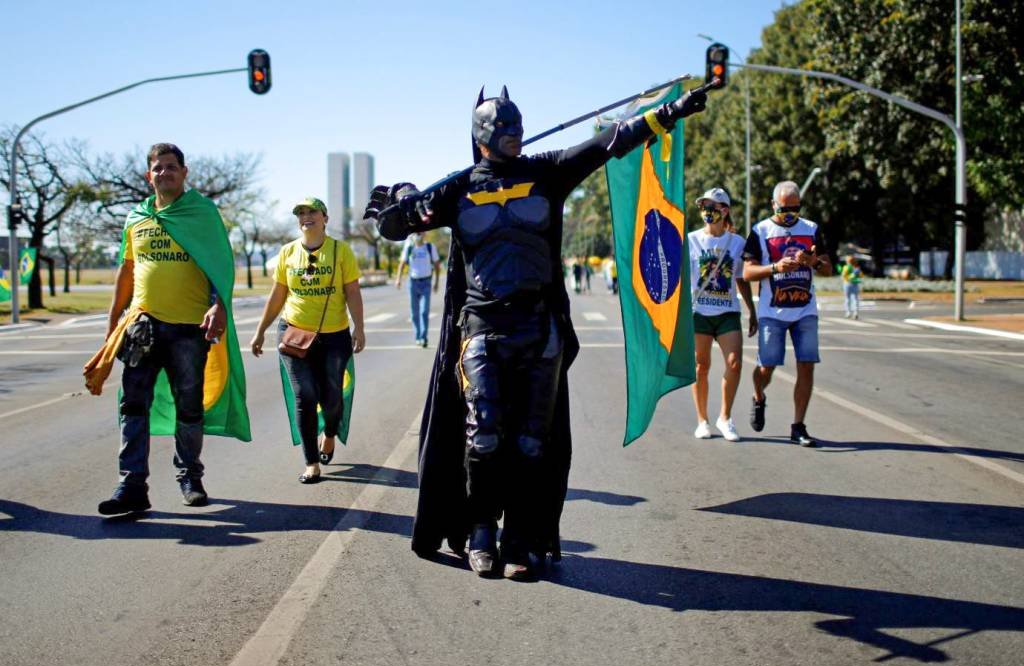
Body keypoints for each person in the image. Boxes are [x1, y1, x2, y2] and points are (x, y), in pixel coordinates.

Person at [364, 83, 708, 579]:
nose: (514, 135)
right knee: (482, 437)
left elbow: (609, 141)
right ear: (481, 135)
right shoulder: (457, 189)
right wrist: (402, 198)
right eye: (503, 129)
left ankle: (520, 540)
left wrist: (669, 112)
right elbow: (398, 226)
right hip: (482, 327)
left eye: (518, 127)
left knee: (531, 441)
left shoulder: (546, 171)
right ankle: (481, 531)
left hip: (538, 326)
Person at [91, 143, 250, 515]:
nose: (164, 173)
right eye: (158, 168)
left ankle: (190, 477)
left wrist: (219, 305)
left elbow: (220, 265)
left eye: (171, 167)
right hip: (142, 326)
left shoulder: (202, 213)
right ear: (149, 176)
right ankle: (131, 487)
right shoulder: (136, 217)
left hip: (188, 329)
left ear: (184, 172)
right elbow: (126, 270)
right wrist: (113, 321)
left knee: (189, 408)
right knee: (132, 406)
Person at [250, 197, 365, 483]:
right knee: (304, 395)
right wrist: (261, 329)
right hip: (294, 336)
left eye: (312, 211)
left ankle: (329, 432)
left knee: (332, 398)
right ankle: (311, 462)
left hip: (334, 336)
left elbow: (352, 292)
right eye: (300, 213)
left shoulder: (341, 251)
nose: (306, 217)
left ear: (324, 217)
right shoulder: (287, 252)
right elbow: (278, 295)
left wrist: (359, 328)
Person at [742, 180, 832, 447]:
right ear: (773, 205)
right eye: (785, 210)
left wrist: (813, 262)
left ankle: (798, 426)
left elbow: (828, 268)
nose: (790, 215)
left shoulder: (812, 229)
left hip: (805, 310)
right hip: (773, 311)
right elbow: (747, 272)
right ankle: (759, 396)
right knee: (766, 368)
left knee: (806, 364)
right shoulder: (760, 231)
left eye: (795, 209)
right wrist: (776, 267)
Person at [687, 188, 757, 442]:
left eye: (713, 206)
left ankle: (725, 417)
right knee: (700, 365)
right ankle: (702, 420)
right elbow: (682, 279)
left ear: (725, 210)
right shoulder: (691, 240)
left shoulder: (737, 243)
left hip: (728, 311)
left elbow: (741, 279)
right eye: (704, 206)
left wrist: (752, 311)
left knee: (734, 362)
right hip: (699, 312)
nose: (707, 211)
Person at [396, 232, 441, 347]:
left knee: (424, 311)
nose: (418, 235)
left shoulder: (430, 247)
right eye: (416, 233)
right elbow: (402, 263)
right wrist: (398, 279)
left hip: (426, 282)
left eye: (420, 233)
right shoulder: (409, 247)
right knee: (414, 313)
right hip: (413, 283)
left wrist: (436, 282)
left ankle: (424, 337)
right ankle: (418, 337)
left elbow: (436, 265)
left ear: (424, 234)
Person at [840, 254, 863, 319]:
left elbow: (843, 275)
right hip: (855, 284)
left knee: (847, 299)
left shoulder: (846, 267)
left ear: (847, 261)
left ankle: (848, 312)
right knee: (855, 299)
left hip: (847, 283)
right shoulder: (856, 268)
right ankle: (856, 312)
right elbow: (861, 275)